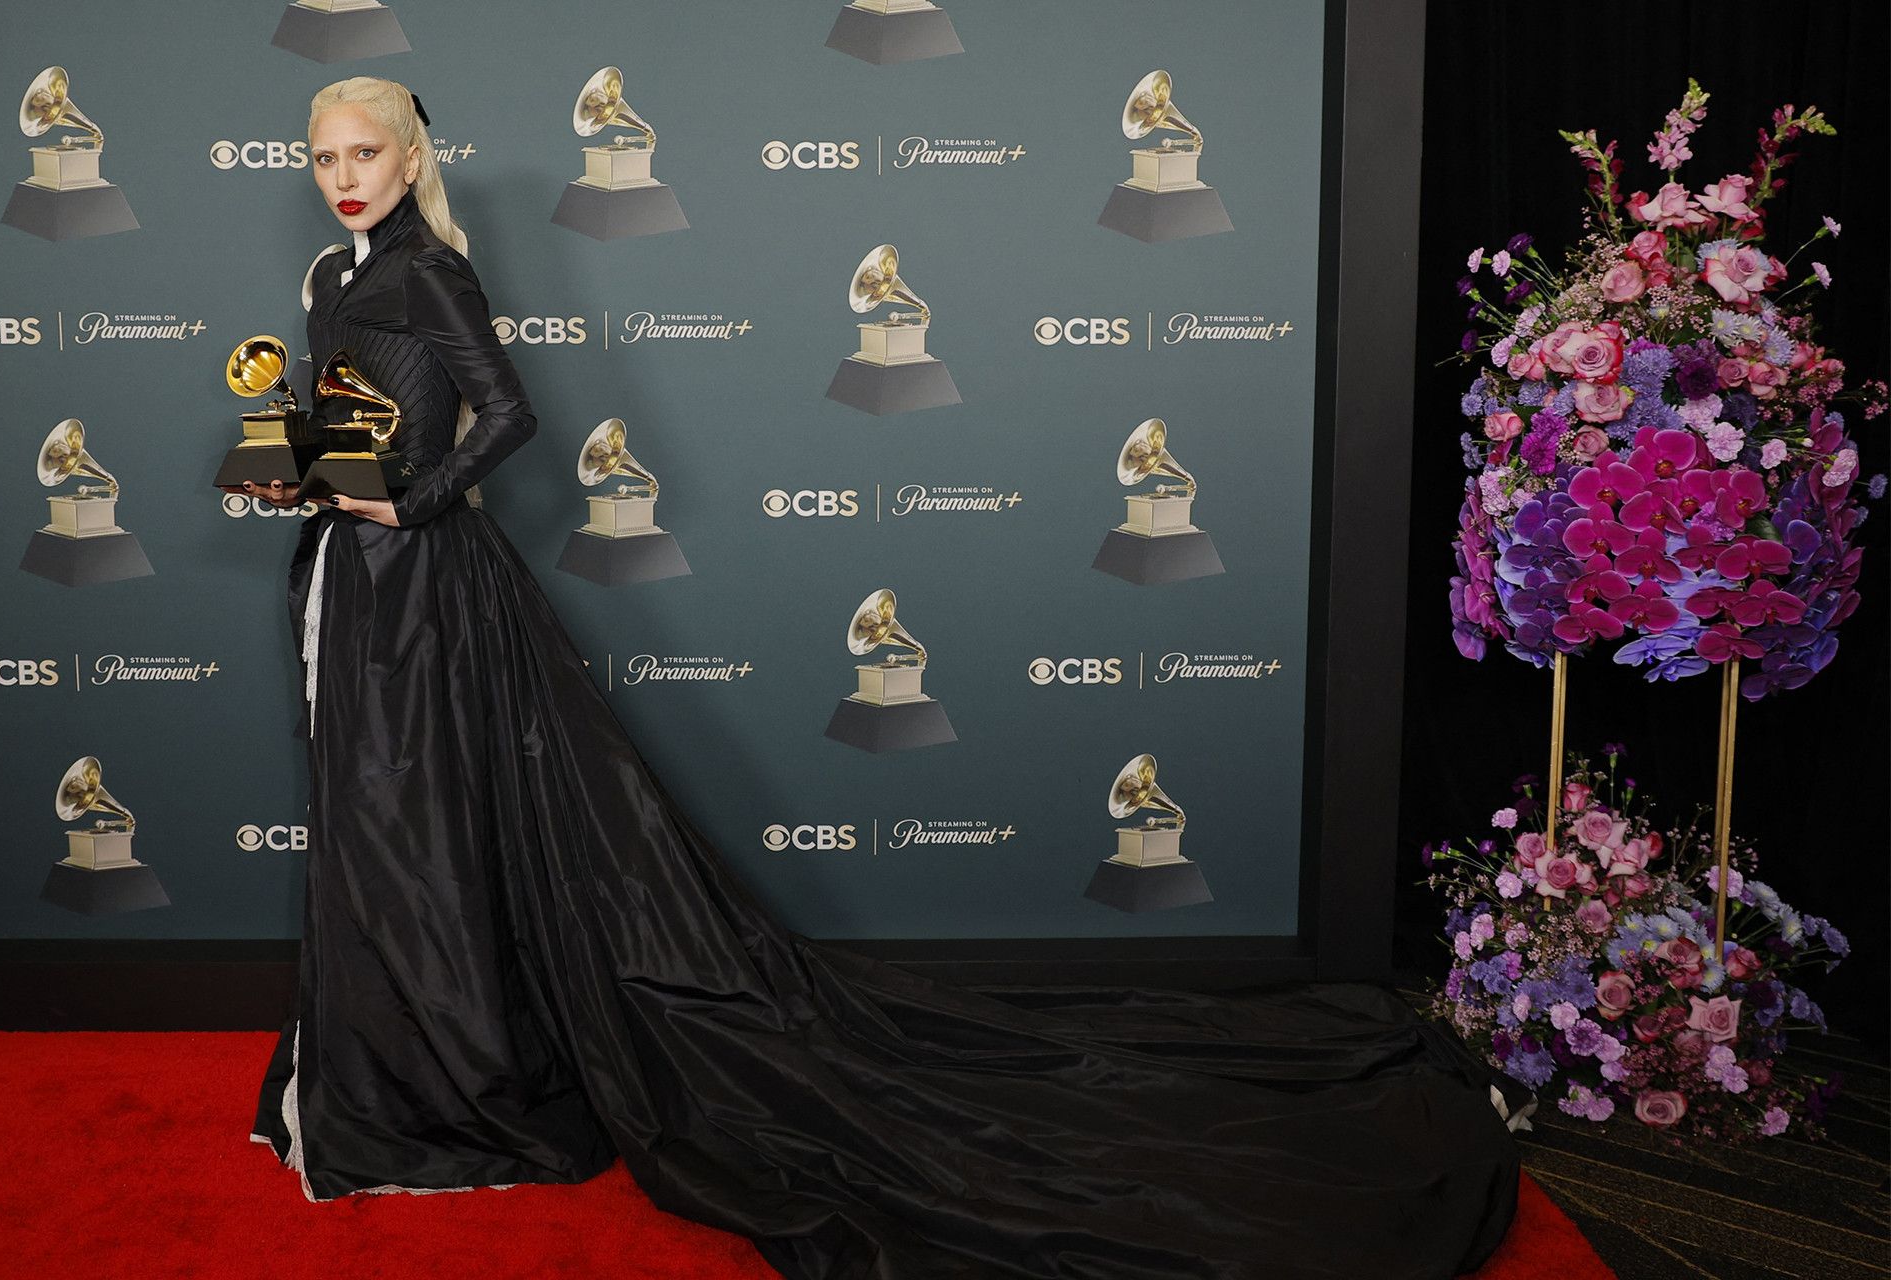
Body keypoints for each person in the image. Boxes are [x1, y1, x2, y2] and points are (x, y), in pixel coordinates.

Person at [241, 75, 1530, 1278]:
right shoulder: (331, 275)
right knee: (380, 818)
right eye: (323, 157)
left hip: (426, 587)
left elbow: (511, 413)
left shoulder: (432, 270)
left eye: (365, 154)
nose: (343, 177)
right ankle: (393, 1056)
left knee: (419, 820)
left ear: (411, 157)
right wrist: (295, 469)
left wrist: (417, 503)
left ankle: (447, 1076)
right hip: (347, 578)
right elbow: (353, 417)